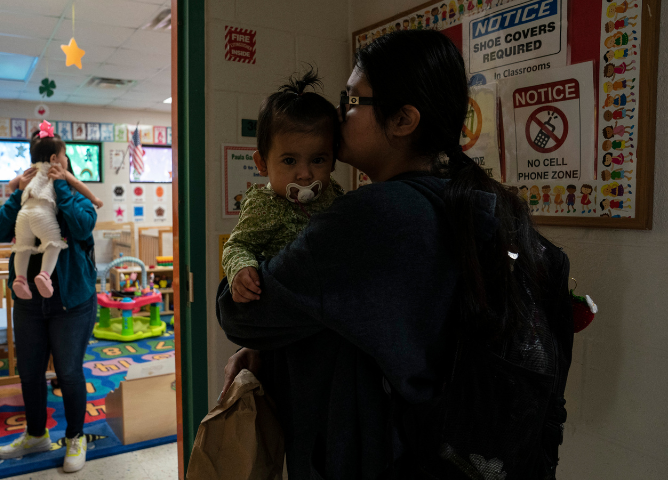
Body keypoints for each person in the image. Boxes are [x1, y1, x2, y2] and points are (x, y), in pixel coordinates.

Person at [217, 29, 549, 478]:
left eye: (352, 101)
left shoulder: (374, 215)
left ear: (403, 120)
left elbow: (242, 313)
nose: (339, 114)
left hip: (375, 456)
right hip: (446, 454)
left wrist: (265, 335)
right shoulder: (477, 202)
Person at [0, 137, 98, 473]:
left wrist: (62, 186)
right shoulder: (26, 195)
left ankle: (75, 436)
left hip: (72, 302)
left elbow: (81, 226)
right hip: (29, 303)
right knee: (30, 373)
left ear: (62, 162)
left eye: (57, 160)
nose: (50, 165)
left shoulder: (76, 194)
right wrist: (16, 193)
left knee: (69, 372)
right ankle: (36, 434)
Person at [222, 69, 343, 303]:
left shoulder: (334, 192)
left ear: (333, 160)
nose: (305, 175)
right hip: (285, 301)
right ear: (262, 163)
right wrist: (241, 270)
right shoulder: (263, 205)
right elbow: (237, 245)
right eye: (289, 161)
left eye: (318, 160)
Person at [7, 121, 102, 300]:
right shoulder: (58, 170)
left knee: (22, 247)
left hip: (24, 215)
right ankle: (44, 275)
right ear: (54, 158)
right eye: (64, 154)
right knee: (54, 243)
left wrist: (20, 192)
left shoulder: (30, 172)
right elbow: (78, 184)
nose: (65, 159)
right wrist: (95, 199)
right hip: (42, 214)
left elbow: (11, 185)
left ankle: (20, 279)